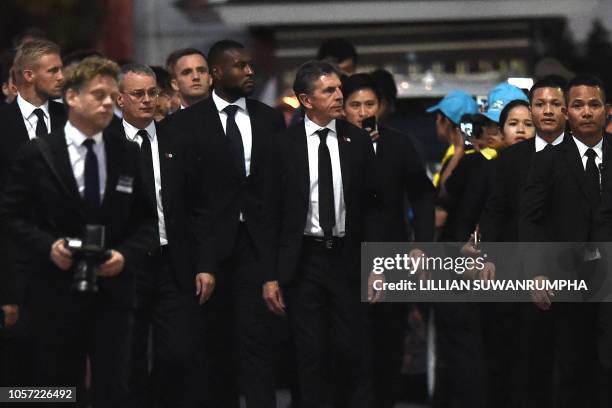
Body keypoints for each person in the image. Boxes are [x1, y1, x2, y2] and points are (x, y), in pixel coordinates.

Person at [0, 56, 156, 407]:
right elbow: (11, 216)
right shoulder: (38, 154)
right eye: (98, 95)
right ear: (72, 97)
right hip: (53, 289)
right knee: (56, 387)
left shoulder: (126, 153)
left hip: (113, 290)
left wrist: (124, 254)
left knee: (114, 388)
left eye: (111, 95)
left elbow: (147, 220)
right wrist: (48, 246)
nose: (107, 104)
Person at [166, 39, 285, 408]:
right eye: (240, 66)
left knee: (258, 343)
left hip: (257, 247)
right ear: (218, 73)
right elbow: (182, 198)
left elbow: (278, 188)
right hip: (209, 252)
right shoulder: (184, 124)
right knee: (213, 347)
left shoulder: (268, 118)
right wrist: (200, 260)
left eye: (250, 65)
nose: (249, 71)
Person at [266, 60, 380, 408]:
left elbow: (372, 208)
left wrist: (377, 264)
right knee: (309, 353)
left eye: (339, 89)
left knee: (351, 349)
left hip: (347, 257)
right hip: (304, 260)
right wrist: (270, 276)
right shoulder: (282, 146)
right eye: (328, 90)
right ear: (306, 99)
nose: (338, 96)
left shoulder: (357, 141)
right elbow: (270, 213)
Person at [108, 63, 208, 408]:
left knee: (178, 353)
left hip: (172, 262)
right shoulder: (105, 143)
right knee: (127, 354)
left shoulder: (177, 139)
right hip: (124, 266)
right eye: (138, 94)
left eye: (152, 92)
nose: (147, 100)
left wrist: (204, 264)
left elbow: (200, 206)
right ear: (119, 98)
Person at [342, 72, 434, 407]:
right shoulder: (333, 145)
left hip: (393, 258)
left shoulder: (400, 144)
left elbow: (422, 197)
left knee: (389, 347)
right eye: (355, 105)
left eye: (370, 104)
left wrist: (422, 245)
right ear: (343, 109)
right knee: (356, 351)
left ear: (381, 107)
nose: (363, 111)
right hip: (346, 261)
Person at [521, 75, 611, 408]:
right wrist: (537, 271)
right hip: (568, 280)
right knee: (572, 369)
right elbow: (530, 220)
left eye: (594, 104)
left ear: (607, 111)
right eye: (578, 105)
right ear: (567, 113)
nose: (586, 112)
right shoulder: (547, 161)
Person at [0, 39, 67, 387]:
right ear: (28, 74)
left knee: (63, 363)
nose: (62, 76)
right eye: (53, 70)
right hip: (16, 265)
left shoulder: (73, 120)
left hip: (68, 263)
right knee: (19, 361)